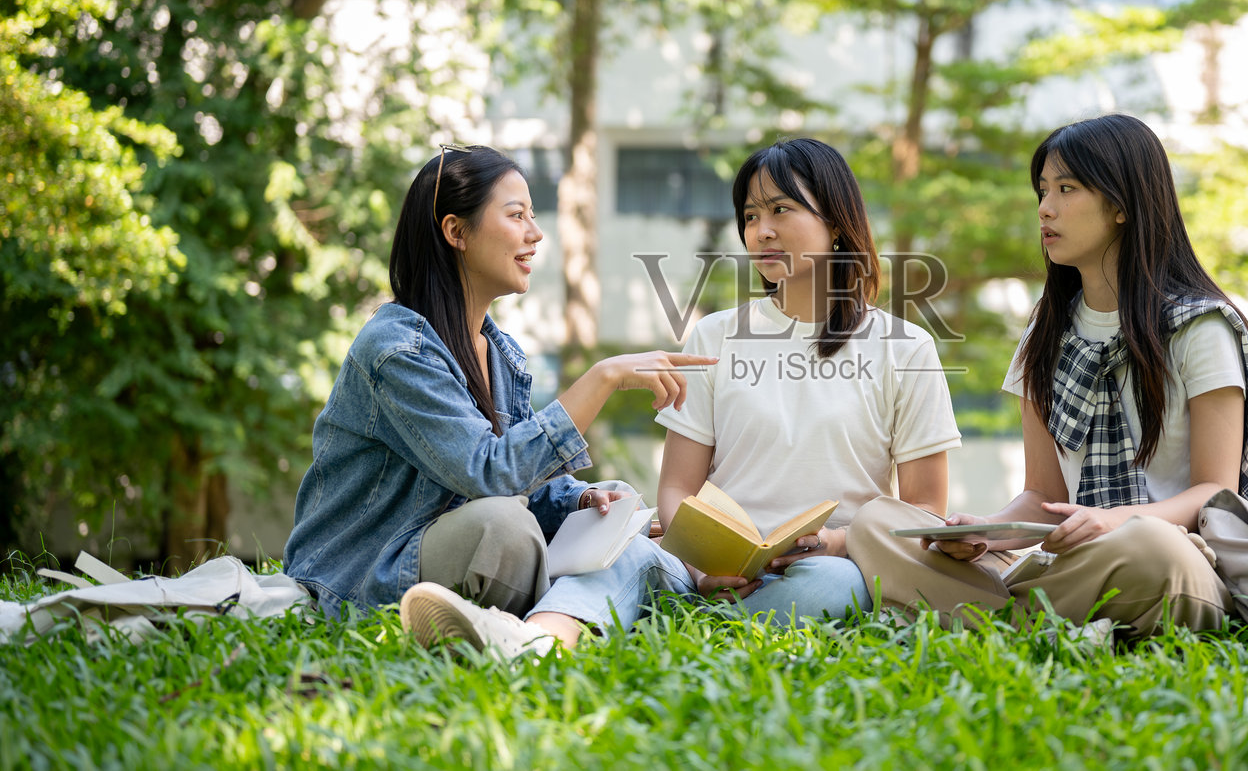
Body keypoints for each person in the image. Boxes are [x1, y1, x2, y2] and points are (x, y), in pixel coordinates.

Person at [848, 114, 1248, 638]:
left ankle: (989, 619)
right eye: (1042, 191)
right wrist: (988, 537)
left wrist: (1116, 520)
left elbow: (1217, 492)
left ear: (1123, 205)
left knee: (1150, 549)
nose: (1045, 208)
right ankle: (1031, 620)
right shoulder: (1048, 328)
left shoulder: (1199, 325)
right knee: (879, 523)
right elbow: (1042, 496)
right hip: (1074, 569)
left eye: (1066, 189)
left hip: (1174, 557)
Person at [283, 144, 714, 660]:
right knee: (503, 530)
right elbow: (486, 473)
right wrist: (601, 379)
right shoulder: (396, 348)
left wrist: (581, 500)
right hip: (362, 574)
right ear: (455, 232)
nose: (535, 233)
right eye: (516, 216)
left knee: (609, 503)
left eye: (534, 216)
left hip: (443, 553)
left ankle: (520, 631)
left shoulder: (503, 355)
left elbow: (526, 483)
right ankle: (543, 624)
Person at [642, 137, 962, 623]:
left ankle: (710, 626)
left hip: (834, 565)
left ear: (835, 222)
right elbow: (677, 490)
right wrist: (701, 568)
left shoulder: (905, 346)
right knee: (628, 554)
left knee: (839, 587)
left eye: (780, 210)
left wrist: (838, 543)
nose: (761, 231)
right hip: (710, 566)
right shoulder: (714, 334)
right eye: (750, 216)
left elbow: (924, 508)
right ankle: (546, 635)